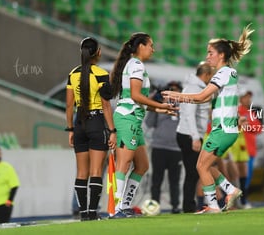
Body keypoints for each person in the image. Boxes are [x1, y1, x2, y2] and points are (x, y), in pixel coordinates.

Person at [163, 25, 254, 214]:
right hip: (224, 129)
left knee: (201, 166)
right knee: (207, 165)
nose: (207, 56)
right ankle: (230, 190)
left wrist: (176, 95)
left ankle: (213, 205)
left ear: (221, 55)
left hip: (223, 130)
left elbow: (201, 97)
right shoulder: (229, 73)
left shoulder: (223, 73)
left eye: (210, 52)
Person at [107, 32, 177, 218]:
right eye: (150, 45)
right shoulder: (136, 65)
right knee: (124, 163)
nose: (153, 49)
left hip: (134, 120)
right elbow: (137, 96)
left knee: (142, 165)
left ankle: (125, 205)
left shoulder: (135, 65)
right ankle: (117, 208)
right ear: (140, 47)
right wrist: (160, 104)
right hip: (126, 119)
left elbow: (137, 100)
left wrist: (160, 110)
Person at [66, 37, 117, 221]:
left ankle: (83, 214)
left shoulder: (73, 73)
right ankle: (93, 213)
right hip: (96, 123)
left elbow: (69, 106)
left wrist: (70, 129)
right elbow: (106, 106)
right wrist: (112, 131)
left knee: (81, 173)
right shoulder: (101, 73)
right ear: (98, 52)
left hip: (79, 123)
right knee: (96, 172)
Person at [176, 62, 214, 213]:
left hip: (188, 134)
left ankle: (189, 205)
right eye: (210, 76)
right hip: (190, 135)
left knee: (192, 172)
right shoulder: (194, 89)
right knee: (193, 172)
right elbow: (190, 115)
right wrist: (195, 137)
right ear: (205, 75)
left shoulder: (193, 87)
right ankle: (189, 206)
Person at [145, 81, 183, 214]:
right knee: (157, 179)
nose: (172, 92)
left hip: (176, 149)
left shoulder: (183, 107)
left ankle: (175, 206)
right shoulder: (159, 105)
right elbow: (149, 123)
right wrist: (156, 105)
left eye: (176, 89)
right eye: (170, 89)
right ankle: (154, 206)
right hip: (159, 147)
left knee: (175, 181)